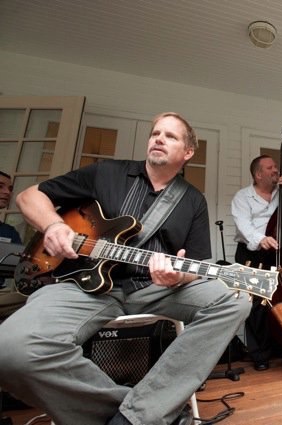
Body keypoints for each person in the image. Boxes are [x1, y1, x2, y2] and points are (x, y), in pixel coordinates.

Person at [0, 112, 251, 425]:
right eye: (155, 133)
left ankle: (136, 415)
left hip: (153, 288)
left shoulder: (192, 201)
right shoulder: (106, 172)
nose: (159, 138)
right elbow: (29, 196)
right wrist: (52, 226)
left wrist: (177, 274)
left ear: (187, 153)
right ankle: (144, 414)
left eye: (170, 136)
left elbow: (197, 266)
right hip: (79, 284)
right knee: (10, 351)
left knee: (235, 299)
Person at [231, 154, 282, 371]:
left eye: (276, 167)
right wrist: (261, 238)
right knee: (256, 304)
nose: (276, 170)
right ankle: (260, 355)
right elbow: (243, 226)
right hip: (253, 253)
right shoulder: (242, 197)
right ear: (258, 174)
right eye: (270, 167)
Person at [0, 170, 25, 319]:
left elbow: (22, 266)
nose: (7, 193)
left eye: (9, 189)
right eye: (0, 186)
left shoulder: (9, 232)